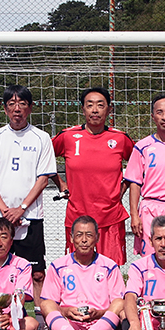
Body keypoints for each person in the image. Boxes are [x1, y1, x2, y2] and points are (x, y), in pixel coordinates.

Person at [0, 85, 56, 330]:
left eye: (22, 103)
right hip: (0, 218)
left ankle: (41, 325)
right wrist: (5, 211)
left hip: (30, 215)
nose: (17, 108)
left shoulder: (41, 138)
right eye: (11, 103)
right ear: (4, 108)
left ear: (30, 108)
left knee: (36, 272)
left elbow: (43, 178)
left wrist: (21, 208)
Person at [52, 87, 134, 265]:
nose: (95, 110)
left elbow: (139, 165)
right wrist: (59, 182)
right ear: (83, 109)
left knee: (110, 270)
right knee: (77, 269)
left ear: (109, 110)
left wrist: (123, 188)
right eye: (90, 105)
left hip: (110, 217)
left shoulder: (119, 139)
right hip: (78, 218)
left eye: (100, 105)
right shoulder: (68, 137)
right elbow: (43, 157)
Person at [40, 216, 125, 330]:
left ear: (97, 238)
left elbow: (119, 304)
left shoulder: (109, 266)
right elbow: (49, 304)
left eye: (89, 235)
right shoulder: (58, 266)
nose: (84, 240)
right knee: (46, 304)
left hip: (101, 329)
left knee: (120, 303)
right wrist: (65, 311)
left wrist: (99, 313)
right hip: (69, 326)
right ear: (72, 238)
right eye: (79, 235)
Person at [124, 93, 165, 257]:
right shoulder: (142, 146)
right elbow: (135, 183)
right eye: (159, 112)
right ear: (153, 116)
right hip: (151, 208)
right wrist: (134, 215)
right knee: (151, 259)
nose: (164, 117)